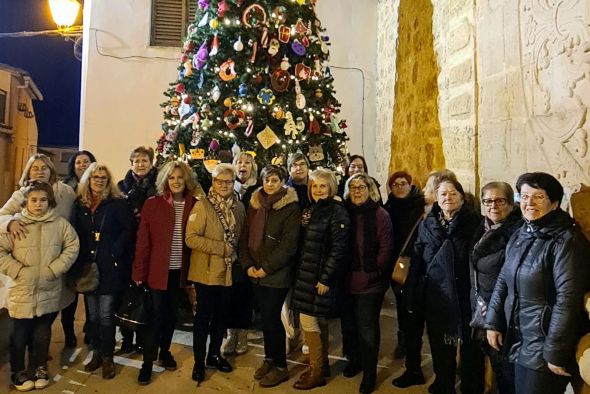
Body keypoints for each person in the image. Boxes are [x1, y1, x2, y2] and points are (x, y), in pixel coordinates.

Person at [486, 172, 590, 394]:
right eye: (524, 196)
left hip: (542, 347)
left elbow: (567, 301)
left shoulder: (567, 241)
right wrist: (493, 322)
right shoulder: (523, 232)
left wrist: (555, 353)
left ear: (554, 202)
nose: (529, 203)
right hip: (515, 338)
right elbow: (504, 278)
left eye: (538, 197)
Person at [0, 181, 79, 391]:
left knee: (42, 333)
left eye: (43, 200)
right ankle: (18, 371)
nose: (38, 204)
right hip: (21, 290)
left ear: (50, 201)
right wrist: (17, 270)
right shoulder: (17, 223)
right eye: (34, 200)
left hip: (48, 288)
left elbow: (72, 246)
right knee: (19, 334)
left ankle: (40, 367)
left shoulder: (59, 224)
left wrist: (54, 269)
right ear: (26, 201)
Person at [411, 177, 484, 394]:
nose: (448, 198)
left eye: (453, 193)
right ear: (436, 197)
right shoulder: (427, 223)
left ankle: (472, 386)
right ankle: (444, 382)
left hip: (466, 293)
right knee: (440, 343)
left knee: (471, 346)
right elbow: (418, 255)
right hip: (438, 294)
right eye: (443, 194)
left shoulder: (475, 222)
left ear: (462, 198)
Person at [0, 154, 78, 348]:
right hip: (28, 260)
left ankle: (39, 352)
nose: (40, 171)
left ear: (51, 170)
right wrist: (10, 223)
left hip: (54, 260)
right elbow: (2, 215)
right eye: (35, 168)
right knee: (26, 317)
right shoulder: (21, 194)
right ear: (28, 171)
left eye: (44, 167)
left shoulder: (66, 192)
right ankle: (29, 353)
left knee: (50, 310)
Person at [132, 161, 198, 385]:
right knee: (155, 319)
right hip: (157, 273)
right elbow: (143, 242)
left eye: (180, 177)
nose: (176, 181)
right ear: (165, 181)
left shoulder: (195, 204)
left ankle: (165, 351)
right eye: (171, 178)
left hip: (181, 274)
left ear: (186, 180)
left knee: (171, 317)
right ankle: (147, 363)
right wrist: (139, 271)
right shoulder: (153, 204)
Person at [239, 165, 300, 388]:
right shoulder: (255, 204)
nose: (270, 184)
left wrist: (265, 268)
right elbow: (245, 237)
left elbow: (288, 245)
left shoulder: (290, 207)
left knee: (272, 318)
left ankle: (281, 367)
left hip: (276, 274)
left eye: (275, 180)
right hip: (255, 272)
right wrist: (247, 266)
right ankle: (269, 358)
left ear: (283, 182)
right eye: (267, 180)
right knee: (266, 318)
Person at [72, 163, 135, 379]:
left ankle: (108, 357)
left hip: (110, 267)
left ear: (108, 181)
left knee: (107, 315)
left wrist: (116, 249)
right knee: (94, 316)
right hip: (88, 267)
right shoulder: (80, 205)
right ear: (88, 180)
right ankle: (97, 352)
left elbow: (129, 230)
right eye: (95, 177)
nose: (99, 181)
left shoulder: (117, 203)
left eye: (103, 178)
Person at [290, 169, 350, 390]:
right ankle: (321, 366)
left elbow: (339, 249)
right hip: (307, 274)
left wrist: (325, 279)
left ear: (331, 187)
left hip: (319, 277)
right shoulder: (313, 209)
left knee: (309, 322)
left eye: (323, 186)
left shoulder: (336, 212)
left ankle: (316, 371)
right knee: (316, 320)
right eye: (314, 186)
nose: (318, 190)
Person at [186, 164, 246, 383]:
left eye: (228, 182)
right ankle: (198, 362)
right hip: (206, 272)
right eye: (219, 181)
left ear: (233, 183)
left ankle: (214, 354)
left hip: (228, 272)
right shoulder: (203, 206)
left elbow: (240, 238)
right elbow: (191, 238)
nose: (224, 186)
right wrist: (220, 248)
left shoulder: (238, 207)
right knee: (203, 319)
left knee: (221, 318)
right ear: (213, 183)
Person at [341, 173, 393, 394]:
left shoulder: (380, 215)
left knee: (367, 327)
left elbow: (386, 248)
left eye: (361, 187)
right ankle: (355, 360)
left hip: (371, 282)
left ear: (370, 189)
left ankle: (370, 374)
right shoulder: (343, 212)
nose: (357, 191)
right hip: (345, 278)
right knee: (349, 326)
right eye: (352, 187)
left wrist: (372, 274)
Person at [469, 182, 522, 394]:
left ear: (510, 203)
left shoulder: (515, 234)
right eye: (488, 201)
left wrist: (496, 320)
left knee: (505, 372)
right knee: (496, 367)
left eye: (500, 200)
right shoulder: (482, 227)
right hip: (483, 307)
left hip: (504, 315)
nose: (493, 206)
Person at [383, 171, 427, 388]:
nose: (399, 187)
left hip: (416, 269)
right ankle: (405, 346)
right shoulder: (389, 207)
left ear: (411, 185)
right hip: (396, 269)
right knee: (403, 312)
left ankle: (414, 367)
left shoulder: (420, 207)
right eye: (395, 184)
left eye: (403, 183)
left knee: (414, 319)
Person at [117, 146, 157, 353]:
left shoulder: (159, 186)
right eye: (137, 161)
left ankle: (142, 336)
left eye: (144, 160)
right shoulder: (121, 187)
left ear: (151, 163)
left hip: (150, 245)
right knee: (126, 293)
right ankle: (126, 337)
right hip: (127, 246)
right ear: (131, 163)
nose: (140, 164)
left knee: (146, 294)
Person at [223, 152, 259, 356]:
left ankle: (243, 335)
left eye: (247, 162)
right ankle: (230, 335)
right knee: (228, 294)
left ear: (253, 166)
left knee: (245, 295)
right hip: (228, 249)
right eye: (238, 162)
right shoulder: (228, 187)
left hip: (249, 249)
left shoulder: (258, 188)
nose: (242, 165)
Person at [61, 150, 97, 348]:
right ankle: (68, 332)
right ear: (72, 166)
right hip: (69, 244)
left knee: (92, 290)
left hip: (91, 245)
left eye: (86, 161)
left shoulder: (98, 185)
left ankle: (91, 330)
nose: (82, 165)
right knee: (70, 294)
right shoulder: (66, 188)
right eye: (78, 162)